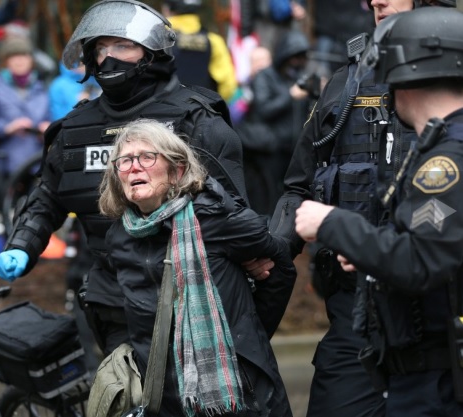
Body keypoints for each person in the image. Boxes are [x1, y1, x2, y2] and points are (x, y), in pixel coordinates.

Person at [0, 0, 252, 356]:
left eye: (122, 46)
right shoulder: (76, 127)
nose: (108, 58)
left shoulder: (194, 118)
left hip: (190, 294)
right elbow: (49, 195)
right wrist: (22, 244)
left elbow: (232, 209)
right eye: (100, 48)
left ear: (151, 51)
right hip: (111, 297)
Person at [267, 1, 458, 416]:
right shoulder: (344, 82)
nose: (377, 1)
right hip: (358, 312)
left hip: (441, 315)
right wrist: (269, 254)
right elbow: (298, 187)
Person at [99, 119, 295, 417]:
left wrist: (248, 335)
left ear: (177, 170)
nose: (134, 167)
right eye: (124, 161)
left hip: (237, 395)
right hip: (162, 400)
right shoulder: (118, 237)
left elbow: (280, 265)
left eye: (147, 157)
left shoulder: (214, 216)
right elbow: (114, 306)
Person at [236, 30, 311, 216]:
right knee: (268, 198)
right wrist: (290, 96)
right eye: (293, 57)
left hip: (293, 149)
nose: (296, 62)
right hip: (270, 149)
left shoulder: (296, 77)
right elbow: (264, 110)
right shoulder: (265, 77)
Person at [0, 35, 50, 180]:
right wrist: (8, 128)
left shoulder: (42, 88)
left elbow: (49, 118)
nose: (19, 61)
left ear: (31, 60)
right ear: (6, 61)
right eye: (13, 56)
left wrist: (47, 129)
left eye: (23, 55)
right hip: (5, 163)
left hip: (36, 162)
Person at [161, 0, 238, 102]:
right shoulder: (213, 41)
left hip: (164, 110)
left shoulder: (158, 39)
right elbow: (228, 86)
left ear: (167, 9)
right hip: (202, 112)